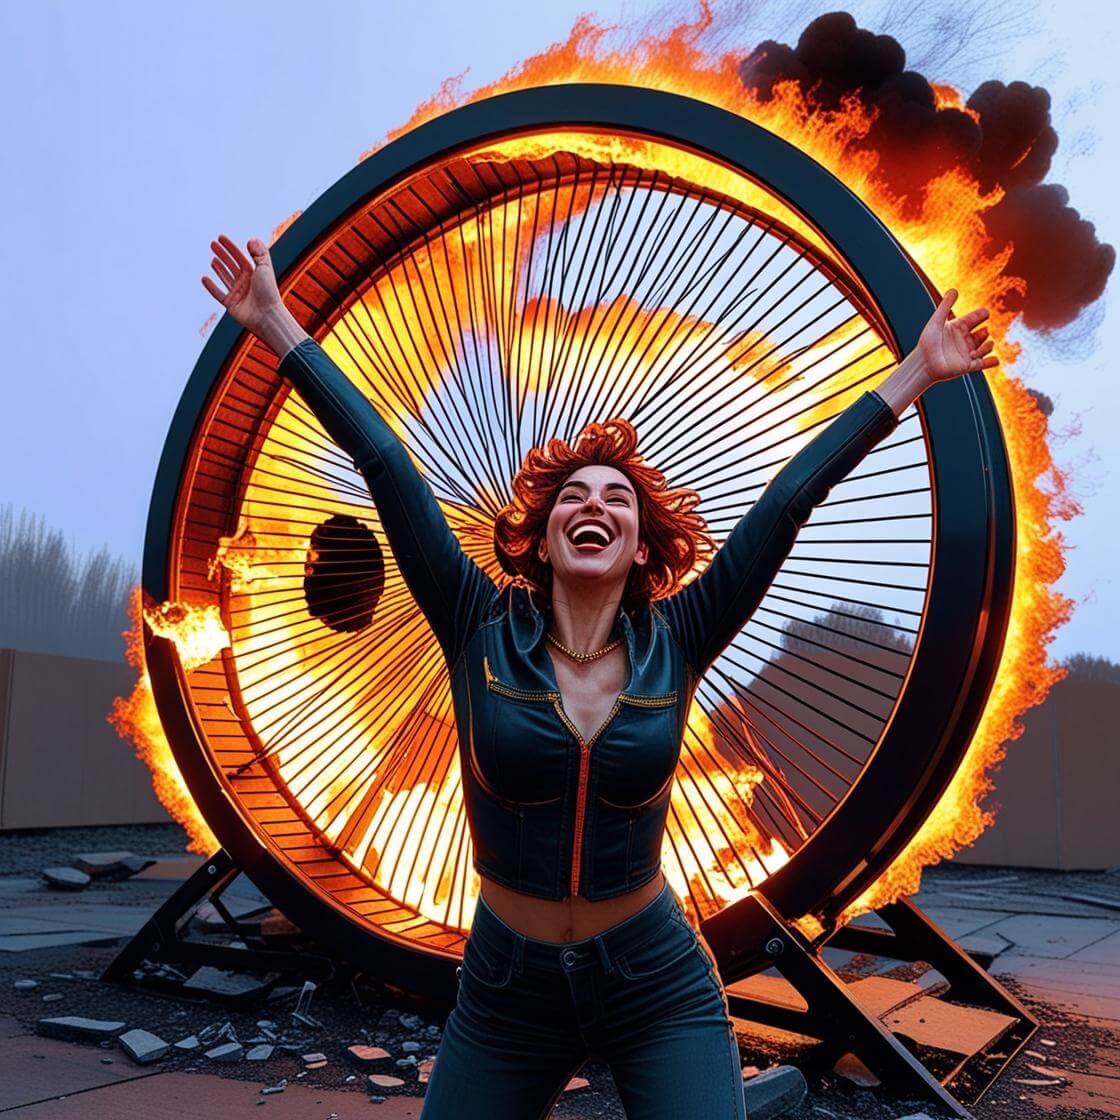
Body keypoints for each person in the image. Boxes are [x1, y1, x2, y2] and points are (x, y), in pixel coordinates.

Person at [202, 233, 997, 1119]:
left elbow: (788, 500)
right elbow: (387, 465)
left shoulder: (682, 634)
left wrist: (916, 373)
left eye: (617, 498)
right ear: (541, 537)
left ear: (641, 543)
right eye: (573, 496)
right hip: (506, 991)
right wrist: (274, 322)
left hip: (656, 976)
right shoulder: (477, 626)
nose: (594, 505)